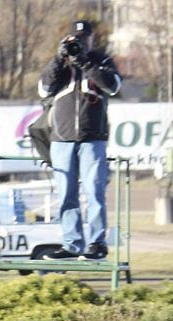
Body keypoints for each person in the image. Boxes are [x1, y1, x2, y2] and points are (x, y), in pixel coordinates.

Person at [38, 20, 122, 261]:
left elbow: (113, 86)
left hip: (92, 139)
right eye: (77, 38)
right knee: (66, 195)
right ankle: (72, 244)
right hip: (62, 140)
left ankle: (97, 244)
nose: (81, 42)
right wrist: (59, 59)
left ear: (92, 39)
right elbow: (44, 89)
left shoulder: (101, 60)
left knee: (94, 192)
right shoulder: (60, 63)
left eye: (85, 38)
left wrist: (85, 62)